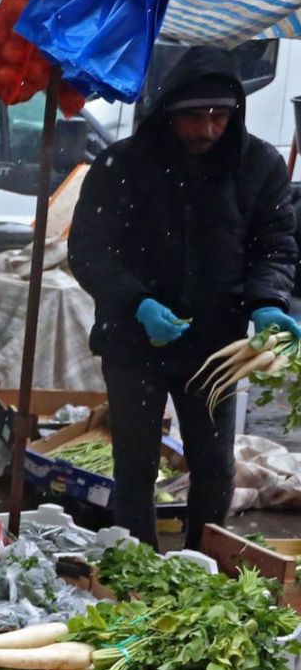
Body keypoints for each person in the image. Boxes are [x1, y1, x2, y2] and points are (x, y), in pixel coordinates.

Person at [71, 47, 301, 548]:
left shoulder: (258, 164)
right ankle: (137, 563)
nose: (208, 129)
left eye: (220, 116)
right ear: (170, 114)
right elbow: (89, 250)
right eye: (195, 117)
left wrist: (267, 302)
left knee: (214, 465)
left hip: (214, 347)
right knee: (134, 463)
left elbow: (275, 245)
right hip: (132, 341)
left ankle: (205, 559)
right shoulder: (122, 165)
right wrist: (137, 302)